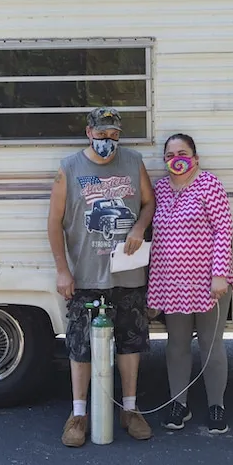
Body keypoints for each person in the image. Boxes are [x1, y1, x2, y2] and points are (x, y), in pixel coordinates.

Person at [47, 106, 156, 447]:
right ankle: (78, 414)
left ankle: (130, 408)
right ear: (88, 131)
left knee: (130, 343)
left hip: (129, 272)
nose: (108, 140)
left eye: (114, 134)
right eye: (102, 133)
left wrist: (139, 226)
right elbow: (54, 221)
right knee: (80, 346)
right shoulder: (69, 168)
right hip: (86, 274)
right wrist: (63, 269)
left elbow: (149, 203)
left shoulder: (133, 161)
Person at [148, 133, 233, 434]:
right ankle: (178, 404)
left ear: (195, 158)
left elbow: (223, 230)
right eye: (169, 155)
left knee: (211, 345)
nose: (176, 159)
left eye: (182, 153)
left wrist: (220, 274)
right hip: (172, 283)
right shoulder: (160, 189)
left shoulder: (209, 185)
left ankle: (216, 406)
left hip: (209, 283)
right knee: (177, 346)